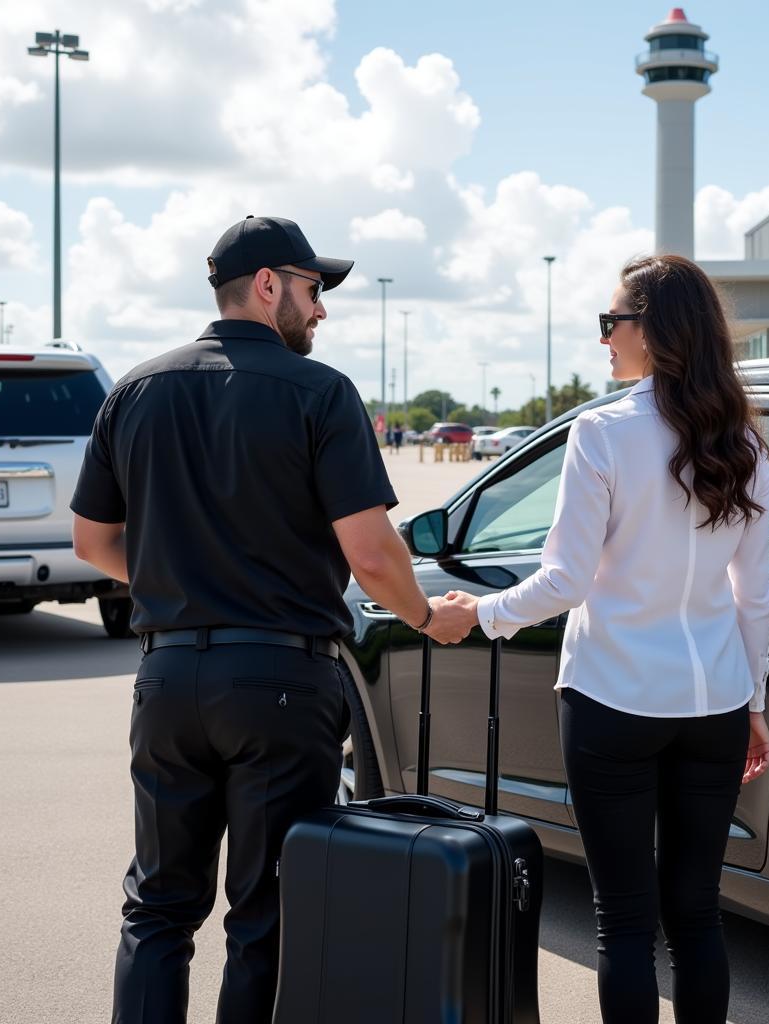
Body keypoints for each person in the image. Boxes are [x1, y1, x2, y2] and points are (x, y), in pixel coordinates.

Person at [70, 215, 473, 1024]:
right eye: (314, 289)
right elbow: (370, 553)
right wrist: (428, 616)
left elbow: (92, 541)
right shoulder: (319, 393)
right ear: (267, 286)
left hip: (167, 676)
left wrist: (174, 578)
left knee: (157, 908)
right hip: (282, 683)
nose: (320, 310)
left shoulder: (137, 389)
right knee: (264, 917)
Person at [444, 254, 769, 1024]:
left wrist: (482, 615)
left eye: (610, 323)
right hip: (714, 705)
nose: (604, 341)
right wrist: (754, 702)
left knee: (624, 919)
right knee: (697, 914)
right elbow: (751, 594)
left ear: (653, 330)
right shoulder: (747, 445)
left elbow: (565, 581)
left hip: (612, 698)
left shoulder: (604, 431)